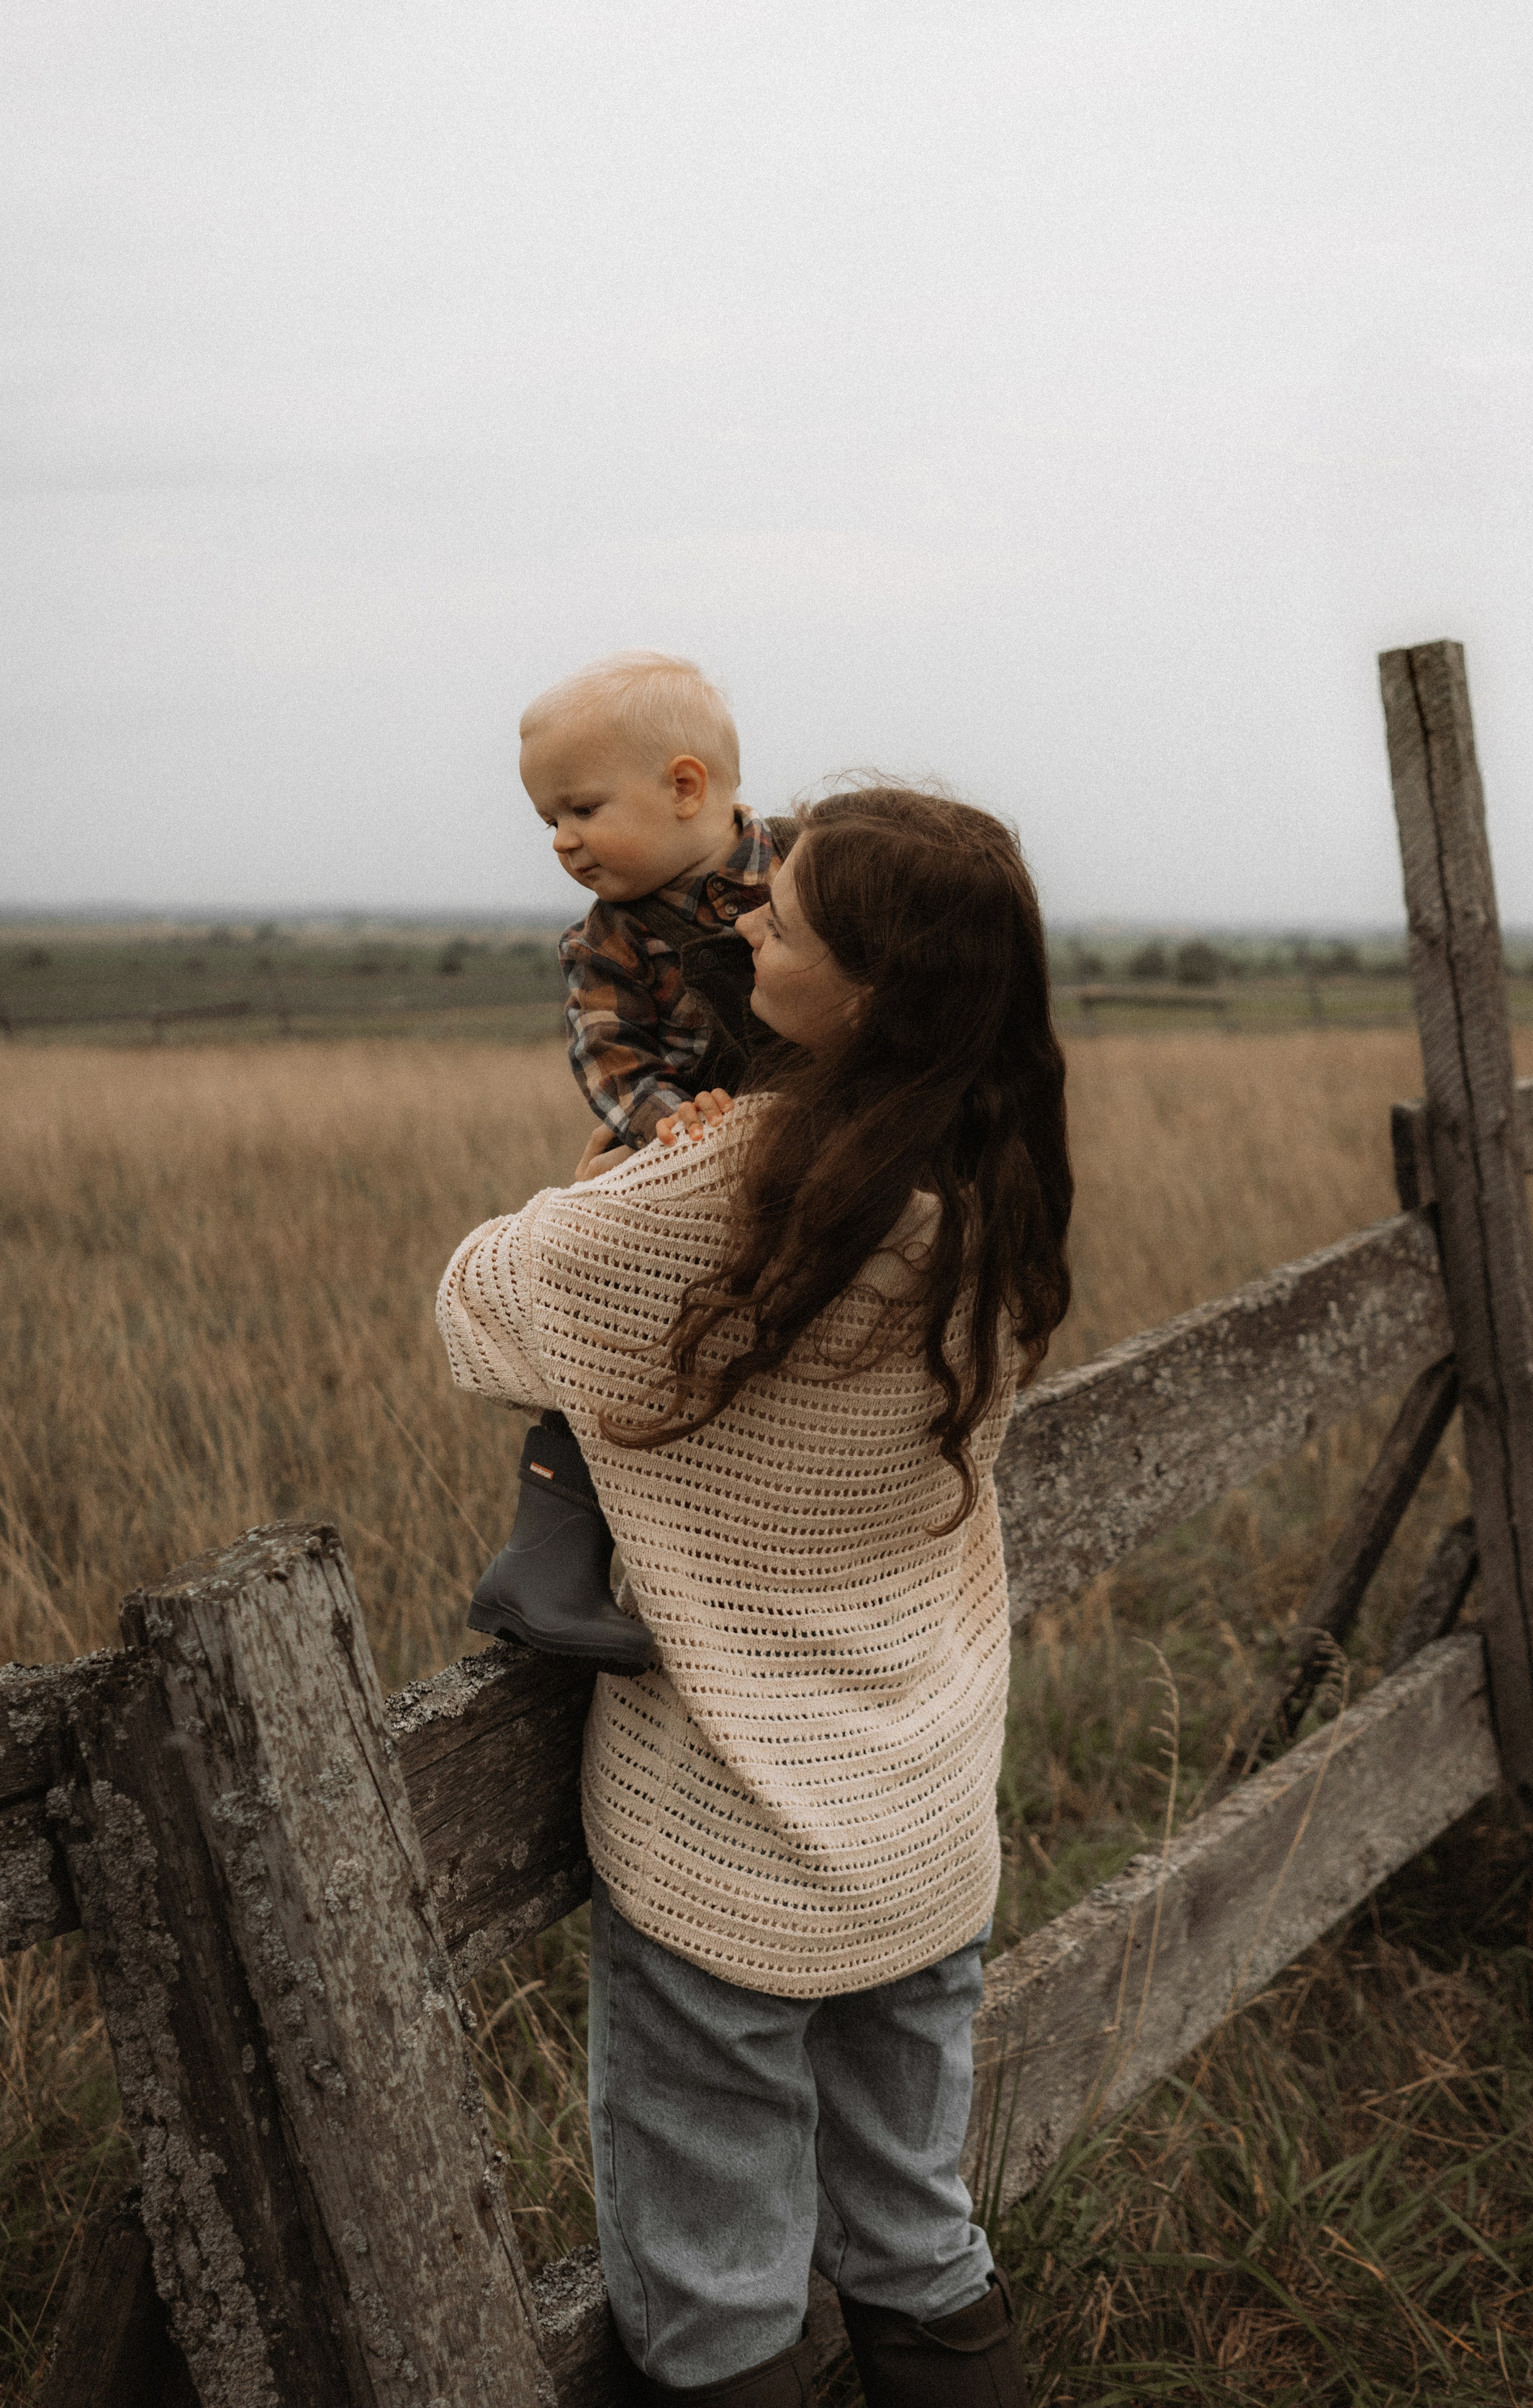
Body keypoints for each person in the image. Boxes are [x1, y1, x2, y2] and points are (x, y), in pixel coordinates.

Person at [436, 787, 1072, 2407]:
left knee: (714, 2294)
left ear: (863, 985)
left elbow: (481, 1303)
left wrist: (614, 1168)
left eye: (778, 918)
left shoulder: (734, 1176)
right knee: (918, 2234)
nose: (741, 923)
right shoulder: (998, 1181)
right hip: (922, 1804)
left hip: (724, 1824)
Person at [469, 653, 797, 1673]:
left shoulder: (808, 868)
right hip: (680, 1149)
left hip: (801, 1130)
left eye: (581, 809)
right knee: (611, 1319)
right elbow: (611, 1061)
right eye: (547, 820)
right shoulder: (605, 940)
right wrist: (668, 1122)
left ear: (686, 786)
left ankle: (740, 1567)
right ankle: (547, 1558)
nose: (560, 840)